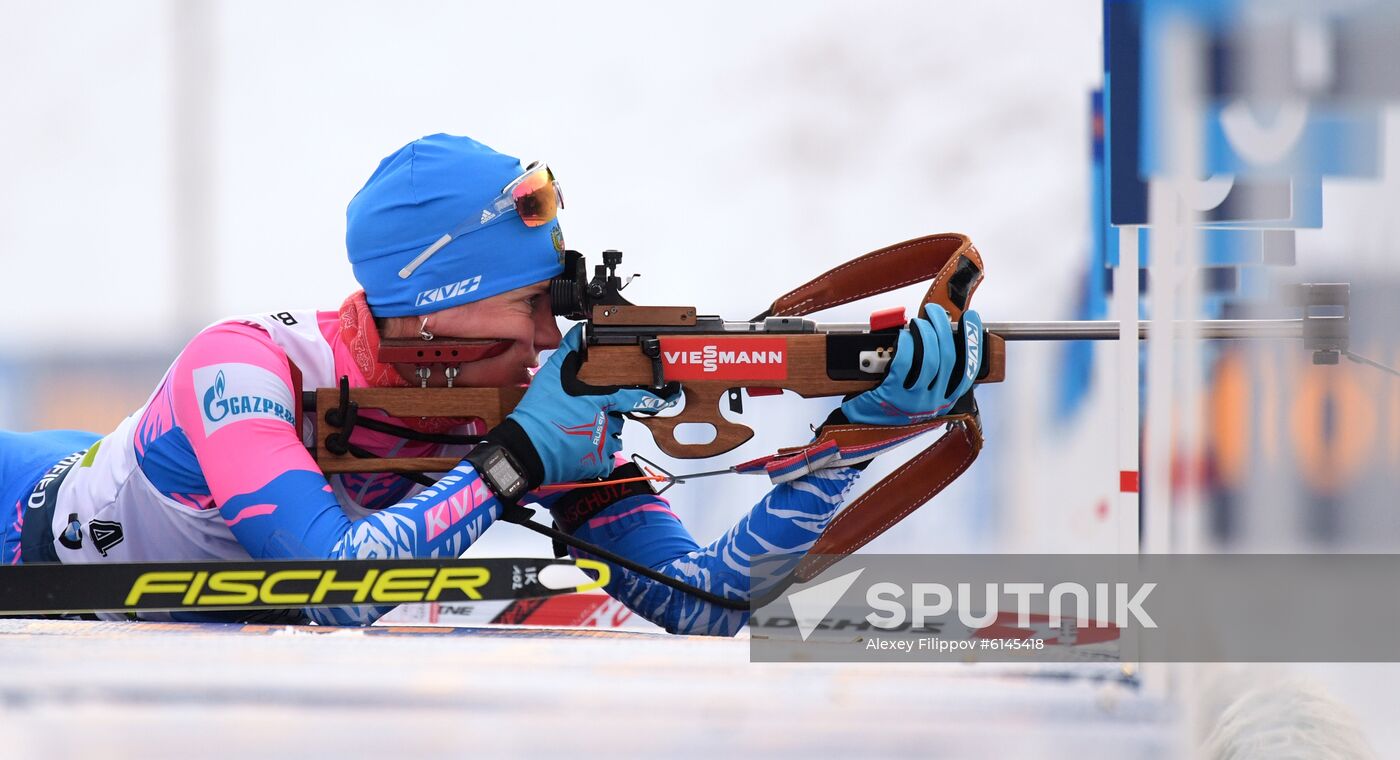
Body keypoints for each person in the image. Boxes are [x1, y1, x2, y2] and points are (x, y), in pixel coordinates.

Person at [0, 134, 982, 633]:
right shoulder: (247, 366)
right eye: (531, 304)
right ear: (433, 311)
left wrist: (853, 434)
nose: (553, 336)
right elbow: (331, 586)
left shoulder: (529, 414)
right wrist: (513, 463)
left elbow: (709, 601)